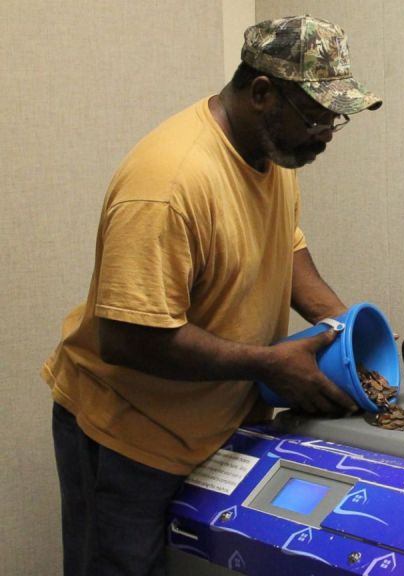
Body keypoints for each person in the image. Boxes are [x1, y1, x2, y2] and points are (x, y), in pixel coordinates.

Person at [41, 15, 381, 576]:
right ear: (262, 92)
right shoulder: (167, 185)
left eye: (335, 118)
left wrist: (345, 327)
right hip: (131, 432)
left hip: (218, 421)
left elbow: (285, 247)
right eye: (317, 116)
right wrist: (271, 365)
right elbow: (128, 339)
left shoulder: (272, 152)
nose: (326, 133)